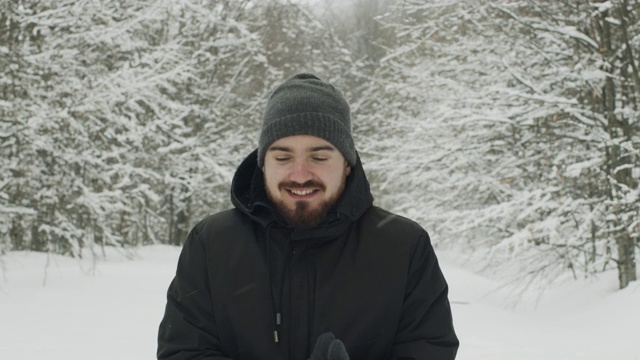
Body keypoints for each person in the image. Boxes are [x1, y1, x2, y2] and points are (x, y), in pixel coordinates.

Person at [157, 73, 459, 360]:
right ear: (263, 165)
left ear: (347, 164)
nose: (300, 175)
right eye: (283, 157)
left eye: (319, 157)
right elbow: (184, 351)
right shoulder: (212, 243)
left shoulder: (403, 247)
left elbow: (429, 350)